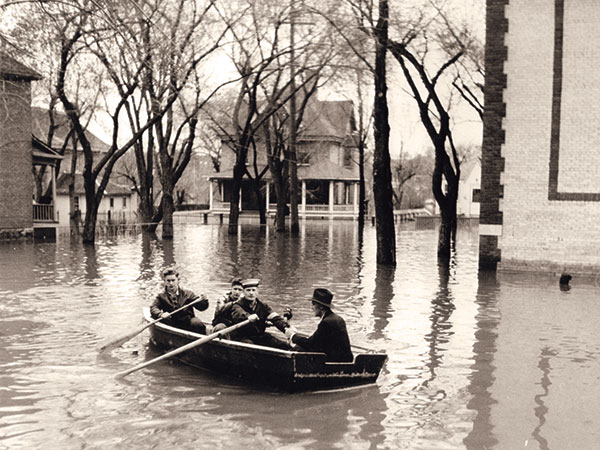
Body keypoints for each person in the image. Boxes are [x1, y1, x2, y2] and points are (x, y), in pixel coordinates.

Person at [285, 288, 353, 362]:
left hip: (334, 363)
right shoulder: (338, 319)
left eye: (313, 304)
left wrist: (292, 336)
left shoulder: (326, 323)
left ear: (321, 307)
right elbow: (316, 341)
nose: (312, 308)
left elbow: (311, 344)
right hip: (346, 360)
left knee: (299, 349)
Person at [229, 278, 290, 349]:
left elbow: (275, 318)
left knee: (284, 345)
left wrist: (286, 328)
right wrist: (248, 317)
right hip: (242, 337)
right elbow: (239, 314)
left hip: (259, 336)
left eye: (253, 290)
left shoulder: (263, 306)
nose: (251, 293)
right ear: (243, 292)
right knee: (250, 346)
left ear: (257, 292)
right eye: (248, 290)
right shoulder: (237, 305)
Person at [150, 267, 209, 334]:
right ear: (165, 282)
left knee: (197, 323)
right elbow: (153, 307)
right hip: (171, 323)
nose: (171, 283)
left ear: (178, 280)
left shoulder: (188, 294)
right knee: (164, 320)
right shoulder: (161, 296)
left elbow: (202, 307)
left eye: (173, 280)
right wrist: (160, 314)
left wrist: (204, 300)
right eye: (168, 281)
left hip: (187, 322)